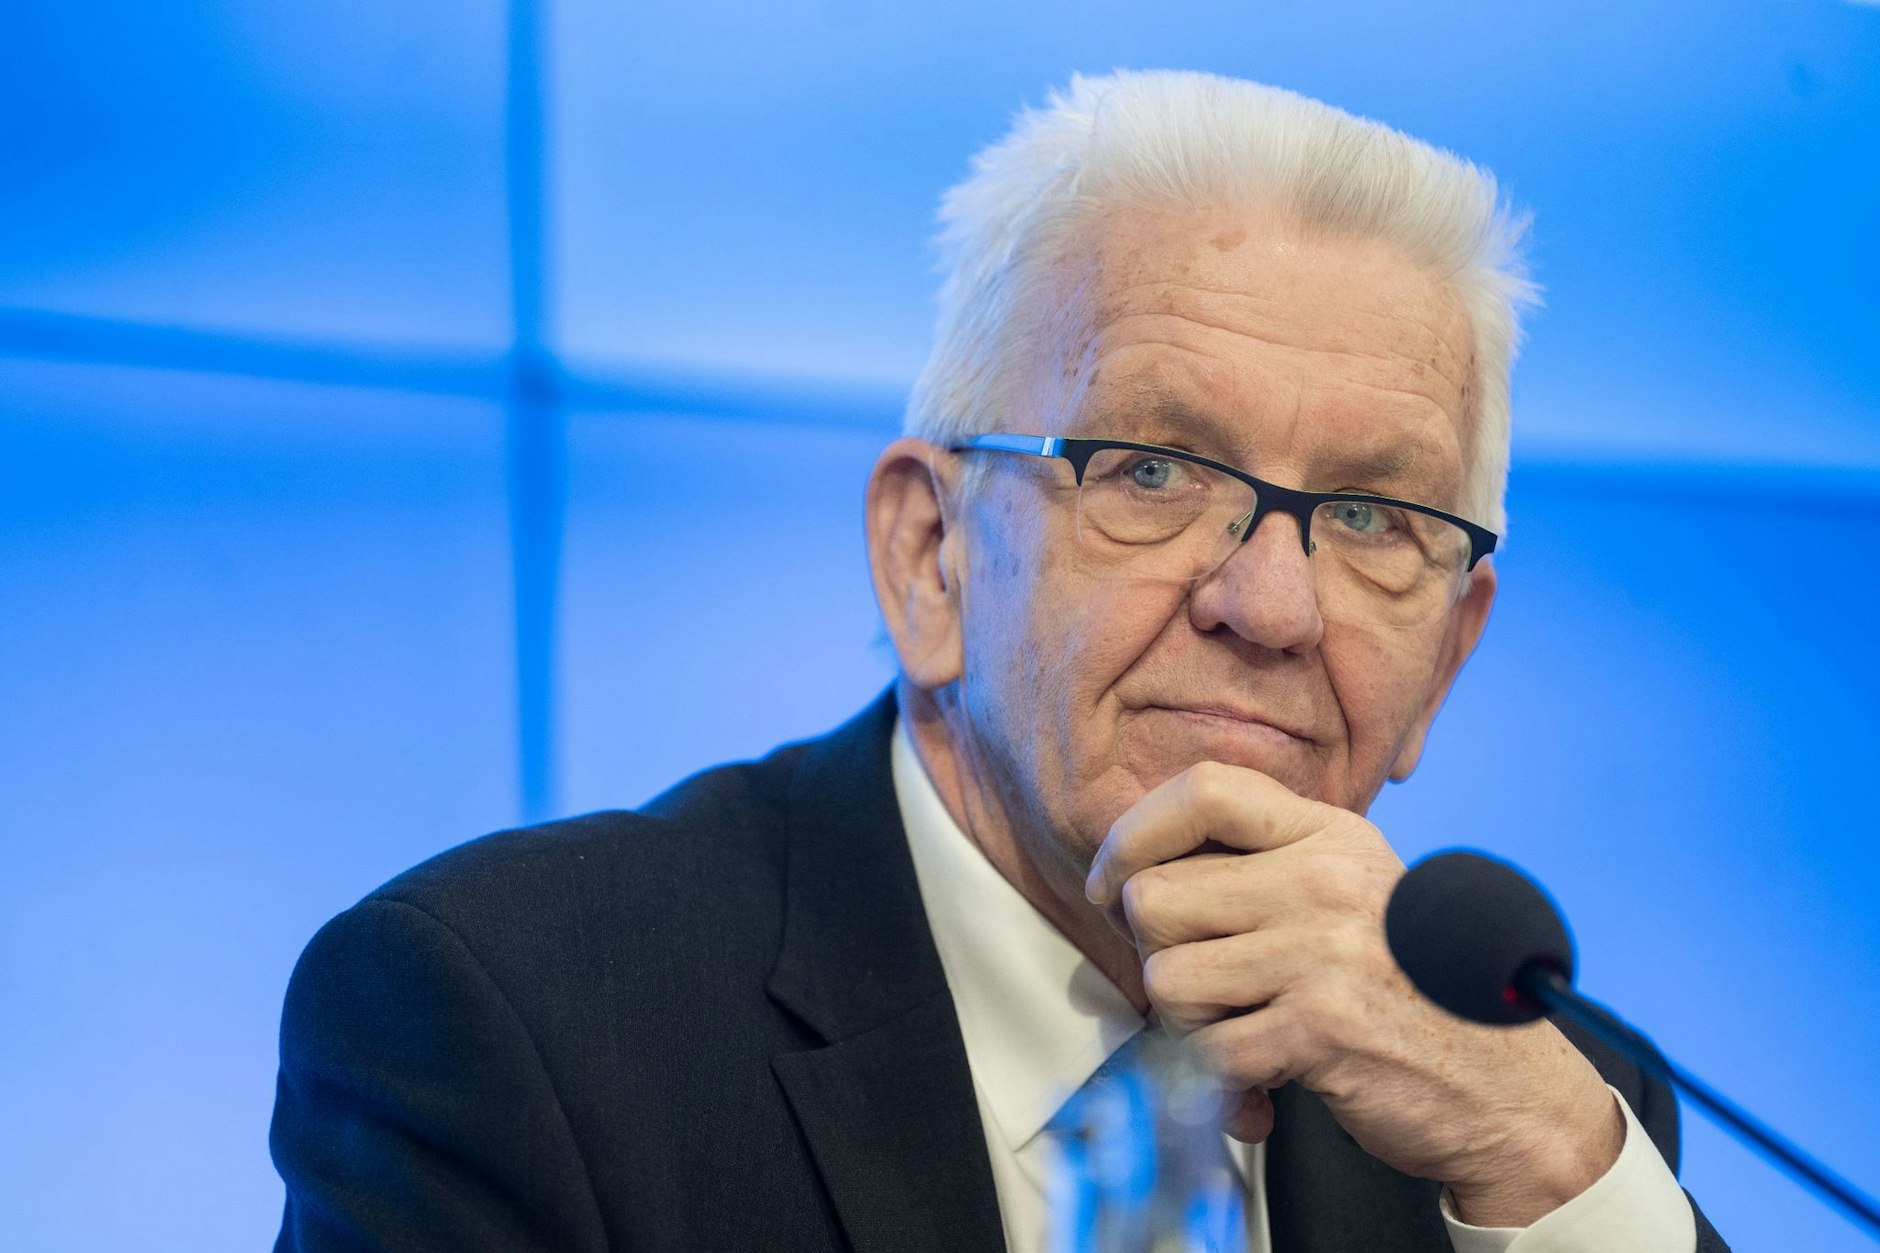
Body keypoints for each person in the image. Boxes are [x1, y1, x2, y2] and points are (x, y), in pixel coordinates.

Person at [270, 71, 1729, 1252]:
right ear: (932, 557)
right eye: (1152, 469)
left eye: (1369, 518)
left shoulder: (1545, 1112)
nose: (1272, 603)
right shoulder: (517, 1023)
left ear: (1449, 657)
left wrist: (1557, 1166)